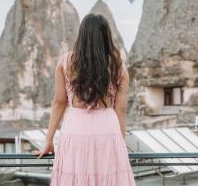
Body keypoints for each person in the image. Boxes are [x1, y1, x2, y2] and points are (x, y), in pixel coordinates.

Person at [33, 13, 136, 185]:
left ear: (82, 35)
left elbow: (59, 102)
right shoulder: (118, 66)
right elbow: (121, 110)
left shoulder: (66, 62)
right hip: (107, 131)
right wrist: (120, 143)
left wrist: (49, 140)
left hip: (76, 131)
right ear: (106, 36)